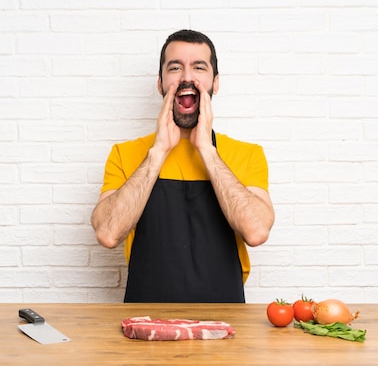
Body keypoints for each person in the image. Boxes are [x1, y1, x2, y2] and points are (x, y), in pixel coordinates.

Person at [91, 29, 274, 303]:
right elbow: (107, 233)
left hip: (224, 324)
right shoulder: (125, 154)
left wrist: (207, 151)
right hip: (145, 323)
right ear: (160, 83)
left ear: (215, 82)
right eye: (175, 67)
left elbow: (257, 231)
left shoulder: (247, 155)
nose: (187, 77)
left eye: (199, 67)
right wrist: (158, 152)